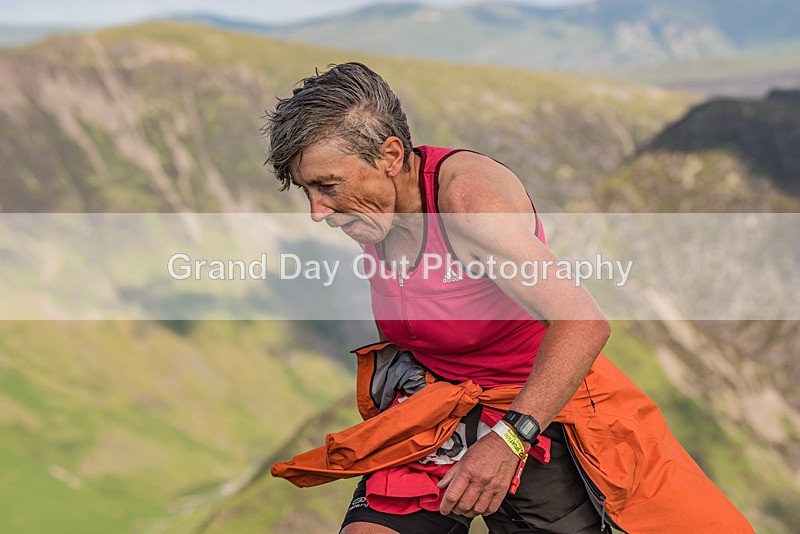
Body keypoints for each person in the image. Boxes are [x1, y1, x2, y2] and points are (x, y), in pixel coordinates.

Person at [265, 62, 753, 533]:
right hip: (439, 406)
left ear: (391, 156)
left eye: (327, 186)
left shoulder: (470, 205)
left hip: (535, 416)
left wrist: (508, 441)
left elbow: (583, 322)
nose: (316, 210)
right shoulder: (379, 207)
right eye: (306, 189)